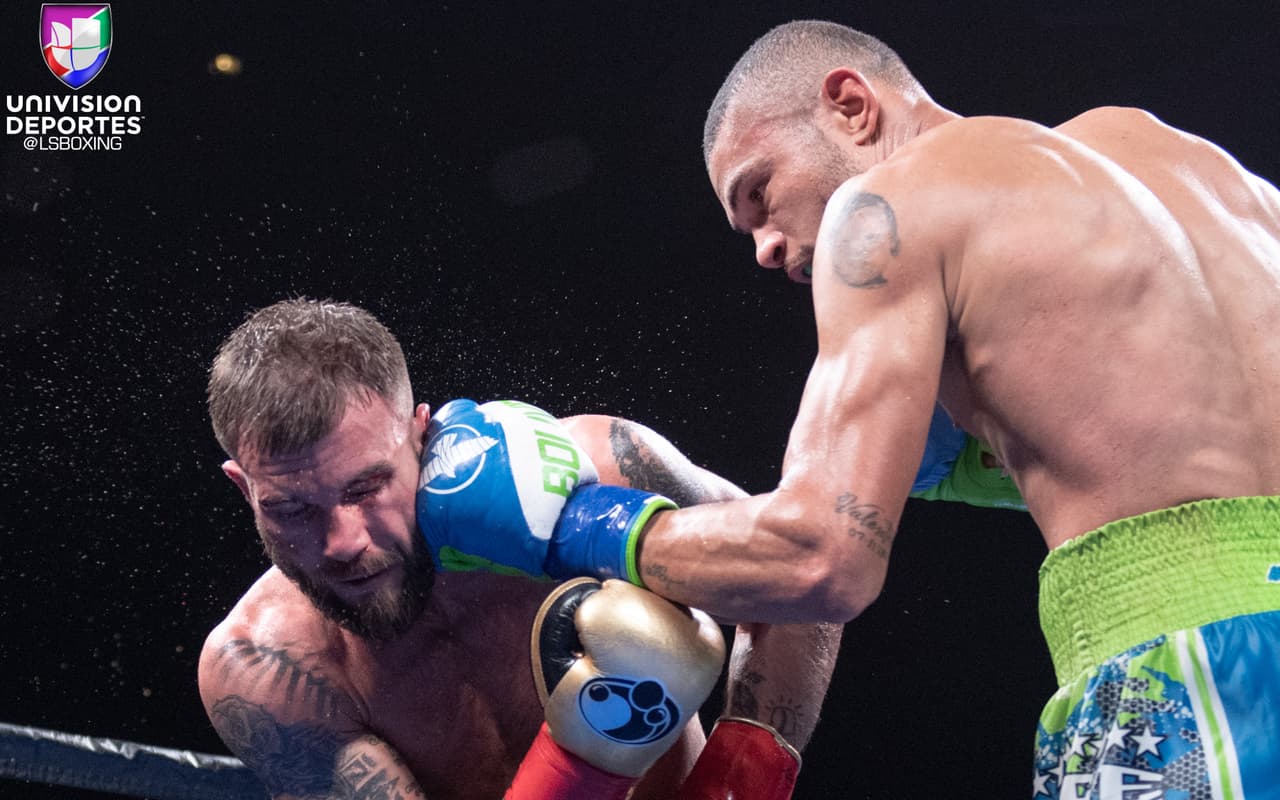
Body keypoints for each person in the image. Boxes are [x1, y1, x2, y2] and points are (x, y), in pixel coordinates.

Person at [420, 20, 1280, 797]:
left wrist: (572, 524)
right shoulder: (1182, 163)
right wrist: (1001, 465)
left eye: (758, 191)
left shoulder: (887, 208)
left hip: (1198, 681)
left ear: (849, 105)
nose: (761, 247)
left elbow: (822, 560)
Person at [197, 298, 830, 800]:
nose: (343, 543)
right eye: (289, 509)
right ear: (242, 487)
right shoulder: (269, 669)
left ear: (421, 432)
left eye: (367, 487)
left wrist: (738, 783)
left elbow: (805, 571)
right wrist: (579, 775)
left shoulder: (601, 472)